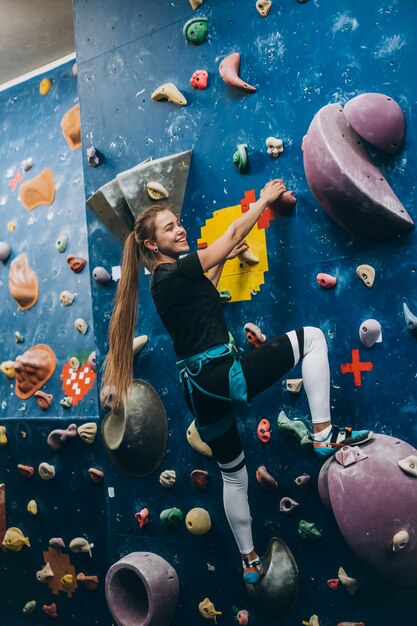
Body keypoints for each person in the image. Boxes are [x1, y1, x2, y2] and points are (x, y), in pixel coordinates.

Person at [102, 179, 371, 585]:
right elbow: (226, 237)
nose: (180, 229)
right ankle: (322, 433)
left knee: (233, 475)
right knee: (313, 339)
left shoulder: (166, 282)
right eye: (170, 227)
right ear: (152, 245)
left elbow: (207, 292)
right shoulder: (172, 271)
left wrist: (226, 258)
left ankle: (248, 560)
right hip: (220, 375)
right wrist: (262, 199)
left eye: (178, 223)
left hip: (199, 391)